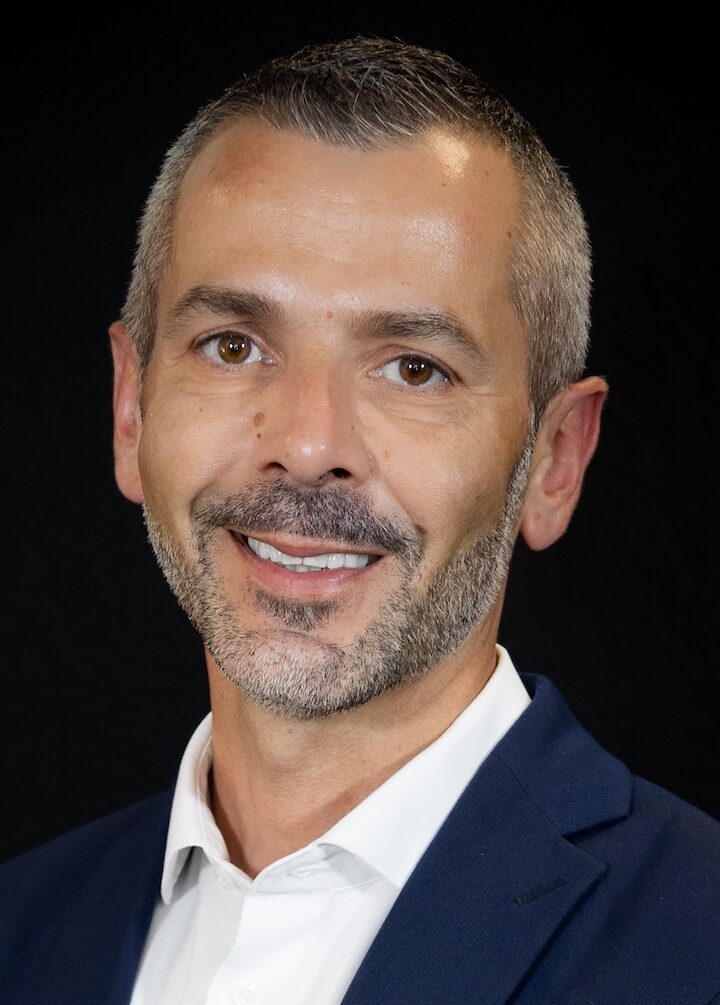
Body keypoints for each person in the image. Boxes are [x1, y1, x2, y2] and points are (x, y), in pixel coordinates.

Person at [1, 35, 718, 1005]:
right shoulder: (23, 928)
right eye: (232, 344)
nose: (305, 443)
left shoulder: (696, 940)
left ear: (555, 461)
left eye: (413, 367)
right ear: (131, 410)